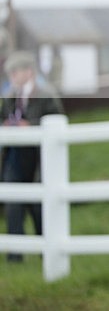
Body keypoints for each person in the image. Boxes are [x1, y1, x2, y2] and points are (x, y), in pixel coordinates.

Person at [1, 50, 63, 262]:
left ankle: (46, 252)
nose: (11, 77)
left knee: (39, 207)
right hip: (14, 157)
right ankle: (14, 256)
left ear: (28, 71)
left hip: (39, 158)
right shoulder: (10, 96)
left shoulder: (46, 93)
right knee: (13, 205)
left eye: (15, 72)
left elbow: (57, 119)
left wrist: (31, 126)